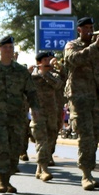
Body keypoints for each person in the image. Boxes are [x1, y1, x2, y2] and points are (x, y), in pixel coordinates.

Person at [0, 36, 40, 193]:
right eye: (5, 47)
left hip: (17, 116)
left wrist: (35, 108)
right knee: (1, 145)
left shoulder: (21, 71)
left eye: (11, 47)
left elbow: (31, 92)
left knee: (15, 147)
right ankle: (1, 180)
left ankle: (8, 178)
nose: (8, 50)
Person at [63, 16, 99, 190]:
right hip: (78, 96)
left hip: (95, 95)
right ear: (79, 30)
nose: (89, 30)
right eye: (86, 27)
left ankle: (90, 171)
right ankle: (85, 174)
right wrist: (95, 46)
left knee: (94, 135)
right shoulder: (72, 45)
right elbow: (75, 60)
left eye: (91, 27)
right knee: (85, 134)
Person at [29, 50, 63, 181]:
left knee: (51, 138)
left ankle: (40, 166)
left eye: (49, 60)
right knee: (41, 139)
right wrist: (33, 73)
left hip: (52, 112)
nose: (48, 63)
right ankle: (44, 169)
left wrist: (46, 74)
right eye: (45, 61)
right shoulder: (32, 76)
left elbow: (58, 85)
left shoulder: (54, 75)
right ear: (39, 62)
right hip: (38, 113)